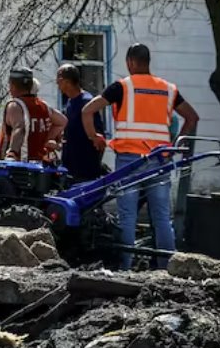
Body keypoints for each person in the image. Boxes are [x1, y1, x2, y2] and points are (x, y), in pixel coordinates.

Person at [82, 43, 199, 270]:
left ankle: (124, 269)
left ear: (130, 62)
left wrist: (94, 137)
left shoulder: (122, 87)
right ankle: (168, 269)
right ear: (147, 61)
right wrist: (175, 146)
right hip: (160, 161)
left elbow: (88, 110)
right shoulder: (168, 89)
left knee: (127, 217)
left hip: (129, 161)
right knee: (162, 217)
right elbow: (192, 117)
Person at [0, 67, 66, 162]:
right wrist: (47, 139)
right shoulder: (43, 106)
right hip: (39, 165)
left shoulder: (15, 105)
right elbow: (62, 121)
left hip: (19, 166)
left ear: (12, 85)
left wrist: (12, 153)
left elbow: (19, 128)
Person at [55, 64, 106, 181]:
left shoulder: (86, 102)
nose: (57, 84)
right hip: (69, 168)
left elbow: (99, 139)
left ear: (66, 82)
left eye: (59, 81)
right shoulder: (69, 102)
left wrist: (95, 163)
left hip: (85, 171)